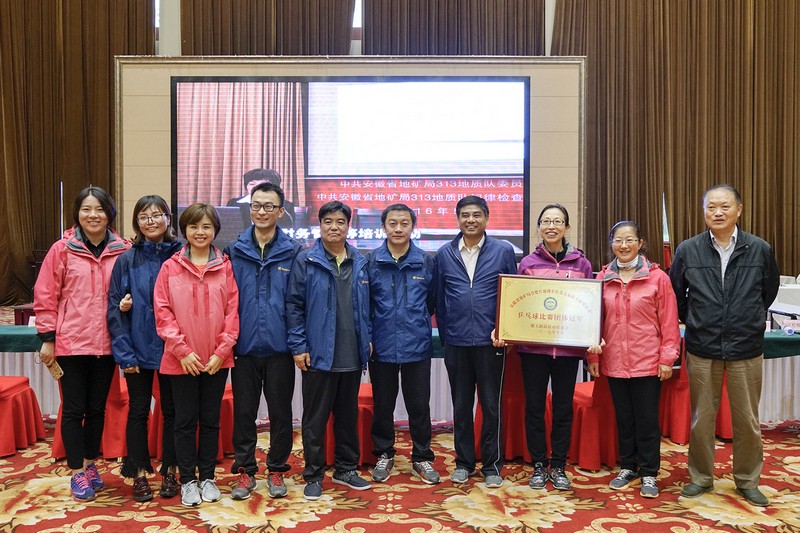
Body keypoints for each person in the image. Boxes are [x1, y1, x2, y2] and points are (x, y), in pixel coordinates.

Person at [669, 184, 779, 507]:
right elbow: (677, 294)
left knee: (747, 420)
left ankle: (747, 480)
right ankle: (700, 477)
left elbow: (768, 291)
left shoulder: (759, 249)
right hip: (702, 346)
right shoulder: (688, 249)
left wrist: (748, 318)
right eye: (711, 207)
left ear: (739, 210)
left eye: (725, 206)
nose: (718, 212)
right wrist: (697, 320)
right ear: (704, 211)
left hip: (746, 346)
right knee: (701, 418)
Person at [34, 186, 130, 502]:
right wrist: (48, 339)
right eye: (86, 209)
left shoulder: (122, 250)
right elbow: (46, 296)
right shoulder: (62, 250)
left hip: (107, 344)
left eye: (99, 209)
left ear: (109, 213)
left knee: (98, 409)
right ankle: (76, 471)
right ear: (77, 213)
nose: (93, 215)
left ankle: (90, 465)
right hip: (71, 344)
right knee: (74, 410)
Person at [496, 204, 593, 491]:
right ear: (539, 227)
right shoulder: (527, 263)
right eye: (546, 221)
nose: (552, 226)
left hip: (567, 351)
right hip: (534, 350)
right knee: (535, 408)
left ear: (567, 227)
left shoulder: (582, 264)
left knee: (563, 409)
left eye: (558, 221)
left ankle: (559, 465)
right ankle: (539, 464)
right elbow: (518, 303)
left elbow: (589, 306)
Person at [586, 221, 680, 498]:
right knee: (624, 419)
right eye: (618, 240)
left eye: (629, 240)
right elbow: (594, 321)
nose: (623, 245)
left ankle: (649, 471)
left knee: (647, 420)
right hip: (614, 360)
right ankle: (628, 467)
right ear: (611, 244)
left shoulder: (658, 278)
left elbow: (669, 321)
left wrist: (667, 358)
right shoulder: (603, 277)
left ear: (640, 244)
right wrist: (593, 355)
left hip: (647, 361)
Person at [154, 203, 240, 507]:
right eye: (193, 226)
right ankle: (188, 480)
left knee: (211, 420)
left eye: (206, 226)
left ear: (215, 230)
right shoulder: (170, 267)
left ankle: (208, 477)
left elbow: (232, 312)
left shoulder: (225, 266)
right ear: (184, 230)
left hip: (217, 360)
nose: (200, 232)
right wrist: (182, 351)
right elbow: (162, 313)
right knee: (185, 421)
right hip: (181, 361)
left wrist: (221, 351)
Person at [286, 201, 372, 500]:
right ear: (319, 225)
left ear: (348, 226)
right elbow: (294, 306)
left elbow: (368, 306)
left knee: (347, 417)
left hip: (351, 353)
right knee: (315, 419)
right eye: (328, 221)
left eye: (340, 221)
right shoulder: (305, 259)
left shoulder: (360, 260)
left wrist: (367, 338)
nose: (334, 227)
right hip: (317, 354)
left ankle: (346, 469)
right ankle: (313, 474)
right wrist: (299, 346)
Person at [224, 182, 302, 500]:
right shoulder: (233, 250)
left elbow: (297, 302)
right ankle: (245, 471)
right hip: (243, 347)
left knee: (281, 413)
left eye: (269, 206)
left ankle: (276, 468)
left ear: (280, 211)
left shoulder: (294, 252)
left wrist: (297, 343)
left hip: (280, 348)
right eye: (256, 205)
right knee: (244, 413)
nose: (261, 211)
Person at [434, 195, 516, 488]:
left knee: (491, 406)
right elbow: (439, 299)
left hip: (491, 342)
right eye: (465, 215)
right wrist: (447, 336)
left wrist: (504, 331)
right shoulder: (444, 254)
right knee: (461, 405)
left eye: (476, 215)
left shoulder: (503, 250)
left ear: (487, 218)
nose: (471, 220)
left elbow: (511, 293)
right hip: (456, 342)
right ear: (458, 219)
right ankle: (464, 463)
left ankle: (492, 465)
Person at [108, 195, 183, 502]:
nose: (150, 221)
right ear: (136, 222)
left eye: (156, 215)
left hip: (174, 349)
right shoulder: (126, 259)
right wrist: (125, 354)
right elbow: (115, 309)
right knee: (139, 411)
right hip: (137, 348)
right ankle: (138, 473)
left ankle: (171, 471)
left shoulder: (182, 255)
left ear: (168, 218)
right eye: (143, 217)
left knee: (173, 412)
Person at [365, 204, 440, 485]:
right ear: (384, 227)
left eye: (404, 223)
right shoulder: (371, 261)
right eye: (393, 223)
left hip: (416, 345)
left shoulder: (426, 261)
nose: (398, 229)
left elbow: (431, 301)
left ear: (412, 227)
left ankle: (422, 457)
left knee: (419, 406)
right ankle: (384, 453)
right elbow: (365, 304)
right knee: (383, 406)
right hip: (381, 346)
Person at [227, 168, 295, 228]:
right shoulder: (234, 203)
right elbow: (229, 228)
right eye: (252, 184)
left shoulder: (286, 205)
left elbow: (287, 228)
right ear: (246, 187)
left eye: (263, 184)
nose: (256, 187)